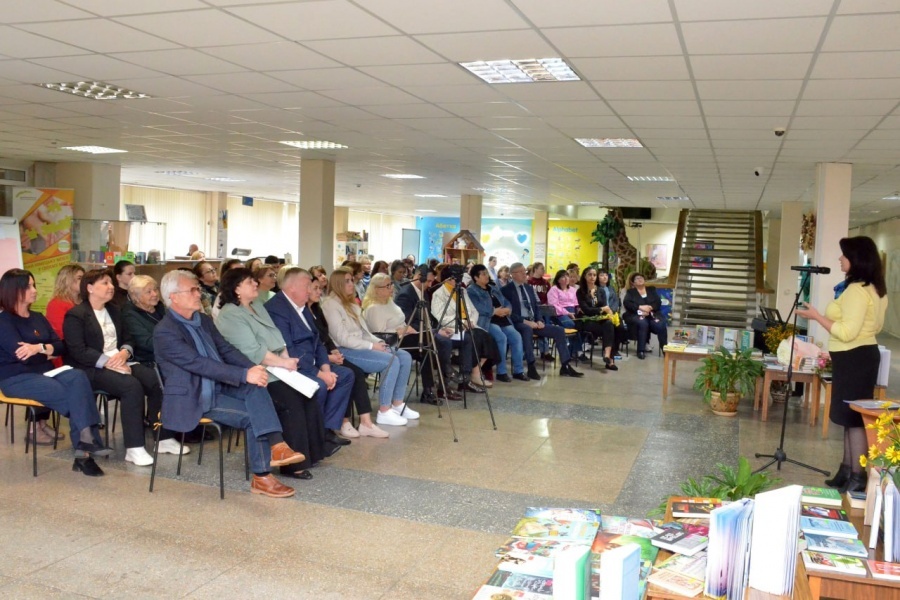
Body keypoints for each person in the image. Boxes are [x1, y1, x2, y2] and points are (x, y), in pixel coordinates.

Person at [153, 269, 305, 498]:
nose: (199, 294)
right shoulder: (165, 331)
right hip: (195, 397)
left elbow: (225, 349)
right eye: (192, 290)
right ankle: (263, 475)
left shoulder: (203, 320)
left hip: (219, 385)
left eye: (197, 289)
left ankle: (277, 447)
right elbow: (199, 364)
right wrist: (244, 375)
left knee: (256, 387)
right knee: (254, 416)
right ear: (173, 297)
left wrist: (251, 368)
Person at [64, 269, 188, 466]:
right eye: (105, 283)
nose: (111, 287)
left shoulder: (114, 310)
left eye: (111, 283)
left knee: (156, 381)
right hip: (92, 368)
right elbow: (78, 351)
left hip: (121, 361)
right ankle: (134, 447)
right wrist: (109, 362)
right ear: (90, 288)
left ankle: (163, 437)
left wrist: (124, 353)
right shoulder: (76, 315)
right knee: (131, 386)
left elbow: (128, 339)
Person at [215, 268, 329, 480]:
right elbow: (252, 351)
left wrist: (286, 360)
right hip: (255, 372)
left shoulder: (257, 305)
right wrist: (283, 363)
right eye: (250, 282)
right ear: (236, 288)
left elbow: (276, 336)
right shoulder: (230, 315)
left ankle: (311, 454)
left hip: (278, 367)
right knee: (291, 401)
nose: (255, 284)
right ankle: (292, 465)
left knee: (308, 394)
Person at [796, 236, 888, 494]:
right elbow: (874, 327)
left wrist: (817, 316)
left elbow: (847, 332)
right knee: (850, 416)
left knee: (854, 418)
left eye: (844, 255)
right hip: (860, 355)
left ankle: (858, 476)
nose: (839, 258)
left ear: (856, 258)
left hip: (854, 357)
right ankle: (846, 470)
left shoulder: (858, 291)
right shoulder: (875, 289)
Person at [0, 268, 110, 476]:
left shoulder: (37, 317)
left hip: (46, 373)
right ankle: (85, 450)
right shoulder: (4, 321)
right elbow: (22, 356)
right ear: (13, 291)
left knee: (78, 377)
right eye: (28, 286)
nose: (34, 290)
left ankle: (84, 448)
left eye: (34, 285)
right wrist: (46, 351)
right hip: (16, 378)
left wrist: (40, 348)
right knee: (74, 395)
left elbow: (62, 346)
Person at [266, 268, 359, 444]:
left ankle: (326, 428)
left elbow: (317, 341)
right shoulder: (277, 309)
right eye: (307, 286)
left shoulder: (302, 308)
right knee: (319, 385)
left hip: (312, 363)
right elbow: (289, 350)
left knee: (346, 375)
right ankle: (315, 436)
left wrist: (326, 368)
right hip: (292, 366)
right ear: (292, 287)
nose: (310, 291)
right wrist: (320, 374)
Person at [322, 267, 415, 427]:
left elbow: (364, 331)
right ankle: (384, 410)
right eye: (347, 281)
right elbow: (342, 338)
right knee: (391, 360)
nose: (351, 284)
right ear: (337, 284)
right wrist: (372, 346)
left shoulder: (350, 303)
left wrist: (379, 343)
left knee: (404, 356)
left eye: (351, 280)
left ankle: (397, 403)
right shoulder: (330, 305)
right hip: (345, 350)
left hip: (360, 346)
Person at [304, 274, 388, 438]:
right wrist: (328, 357)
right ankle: (345, 421)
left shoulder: (316, 310)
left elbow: (326, 337)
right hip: (317, 359)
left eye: (320, 288)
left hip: (328, 353)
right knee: (351, 373)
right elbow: (311, 344)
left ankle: (366, 422)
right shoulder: (311, 310)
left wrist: (333, 350)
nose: (319, 291)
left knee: (355, 372)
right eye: (315, 288)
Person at [365, 271, 457, 404]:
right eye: (387, 286)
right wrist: (402, 330)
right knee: (429, 341)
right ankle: (444, 375)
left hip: (405, 337)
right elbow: (379, 333)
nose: (391, 288)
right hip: (391, 342)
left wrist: (407, 328)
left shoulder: (390, 303)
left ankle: (430, 389)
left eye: (391, 284)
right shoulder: (373, 308)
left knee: (428, 346)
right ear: (376, 289)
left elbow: (402, 321)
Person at [503, 263, 583, 378]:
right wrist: (526, 322)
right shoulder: (506, 290)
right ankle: (531, 366)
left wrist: (539, 320)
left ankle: (565, 366)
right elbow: (509, 313)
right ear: (513, 274)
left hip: (534, 322)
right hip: (519, 323)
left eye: (525, 271)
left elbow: (537, 307)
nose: (525, 274)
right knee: (527, 330)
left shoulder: (529, 288)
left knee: (559, 330)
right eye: (521, 272)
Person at [394, 265, 460, 403]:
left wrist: (438, 328)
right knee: (434, 345)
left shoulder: (422, 291)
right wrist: (433, 330)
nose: (430, 285)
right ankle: (440, 381)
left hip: (423, 333)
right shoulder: (405, 294)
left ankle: (442, 382)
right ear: (419, 277)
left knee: (440, 342)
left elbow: (428, 317)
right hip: (408, 336)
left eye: (431, 281)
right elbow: (407, 321)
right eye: (428, 281)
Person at [430, 268, 496, 392]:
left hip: (469, 324)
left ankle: (473, 373)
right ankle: (467, 377)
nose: (460, 281)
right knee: (473, 338)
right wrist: (463, 323)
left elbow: (474, 310)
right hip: (452, 327)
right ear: (448, 279)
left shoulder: (462, 291)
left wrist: (471, 321)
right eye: (457, 278)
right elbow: (441, 317)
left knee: (487, 337)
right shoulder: (439, 294)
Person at [468, 264, 528, 382]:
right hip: (487, 320)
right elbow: (477, 307)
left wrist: (508, 309)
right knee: (501, 337)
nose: (487, 276)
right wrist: (494, 311)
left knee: (516, 337)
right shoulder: (471, 290)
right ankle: (501, 372)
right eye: (483, 274)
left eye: (487, 273)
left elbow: (505, 301)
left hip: (502, 318)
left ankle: (518, 371)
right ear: (476, 277)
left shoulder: (493, 287)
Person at [576, 267, 618, 370]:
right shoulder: (580, 291)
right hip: (586, 320)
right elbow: (586, 310)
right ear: (585, 276)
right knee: (609, 328)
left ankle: (607, 355)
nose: (592, 277)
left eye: (594, 275)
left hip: (599, 319)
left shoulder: (600, 291)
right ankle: (610, 361)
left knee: (611, 325)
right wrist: (602, 309)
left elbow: (603, 308)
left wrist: (603, 310)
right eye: (590, 275)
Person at [120, 275, 165, 365]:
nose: (155, 294)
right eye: (149, 292)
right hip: (150, 360)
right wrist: (174, 341)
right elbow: (146, 343)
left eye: (155, 289)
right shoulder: (129, 315)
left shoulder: (161, 307)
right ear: (136, 296)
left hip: (170, 352)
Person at [622, 272, 668, 359]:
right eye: (637, 278)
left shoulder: (651, 289)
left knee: (660, 325)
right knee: (643, 323)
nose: (640, 279)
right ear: (633, 283)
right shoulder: (631, 292)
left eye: (641, 278)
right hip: (636, 314)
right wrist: (640, 308)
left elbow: (658, 302)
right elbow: (627, 303)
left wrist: (650, 308)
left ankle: (665, 350)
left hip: (652, 314)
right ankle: (641, 350)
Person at [546, 269, 585, 362]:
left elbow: (576, 303)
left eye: (567, 276)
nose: (566, 278)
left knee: (581, 325)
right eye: (563, 277)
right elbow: (554, 305)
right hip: (559, 313)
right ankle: (577, 351)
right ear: (558, 280)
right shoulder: (554, 289)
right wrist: (567, 313)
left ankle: (572, 351)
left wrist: (579, 308)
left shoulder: (573, 290)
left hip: (573, 311)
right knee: (570, 324)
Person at [46, 264, 85, 339]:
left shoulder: (85, 301)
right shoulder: (56, 304)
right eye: (79, 278)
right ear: (67, 280)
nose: (84, 281)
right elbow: (61, 333)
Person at [598, 269, 627, 358]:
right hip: (602, 313)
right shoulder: (596, 288)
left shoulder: (611, 288)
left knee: (620, 327)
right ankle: (607, 349)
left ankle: (615, 350)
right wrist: (606, 311)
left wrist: (612, 310)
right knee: (609, 326)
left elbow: (616, 301)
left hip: (613, 313)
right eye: (602, 275)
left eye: (606, 275)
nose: (604, 277)